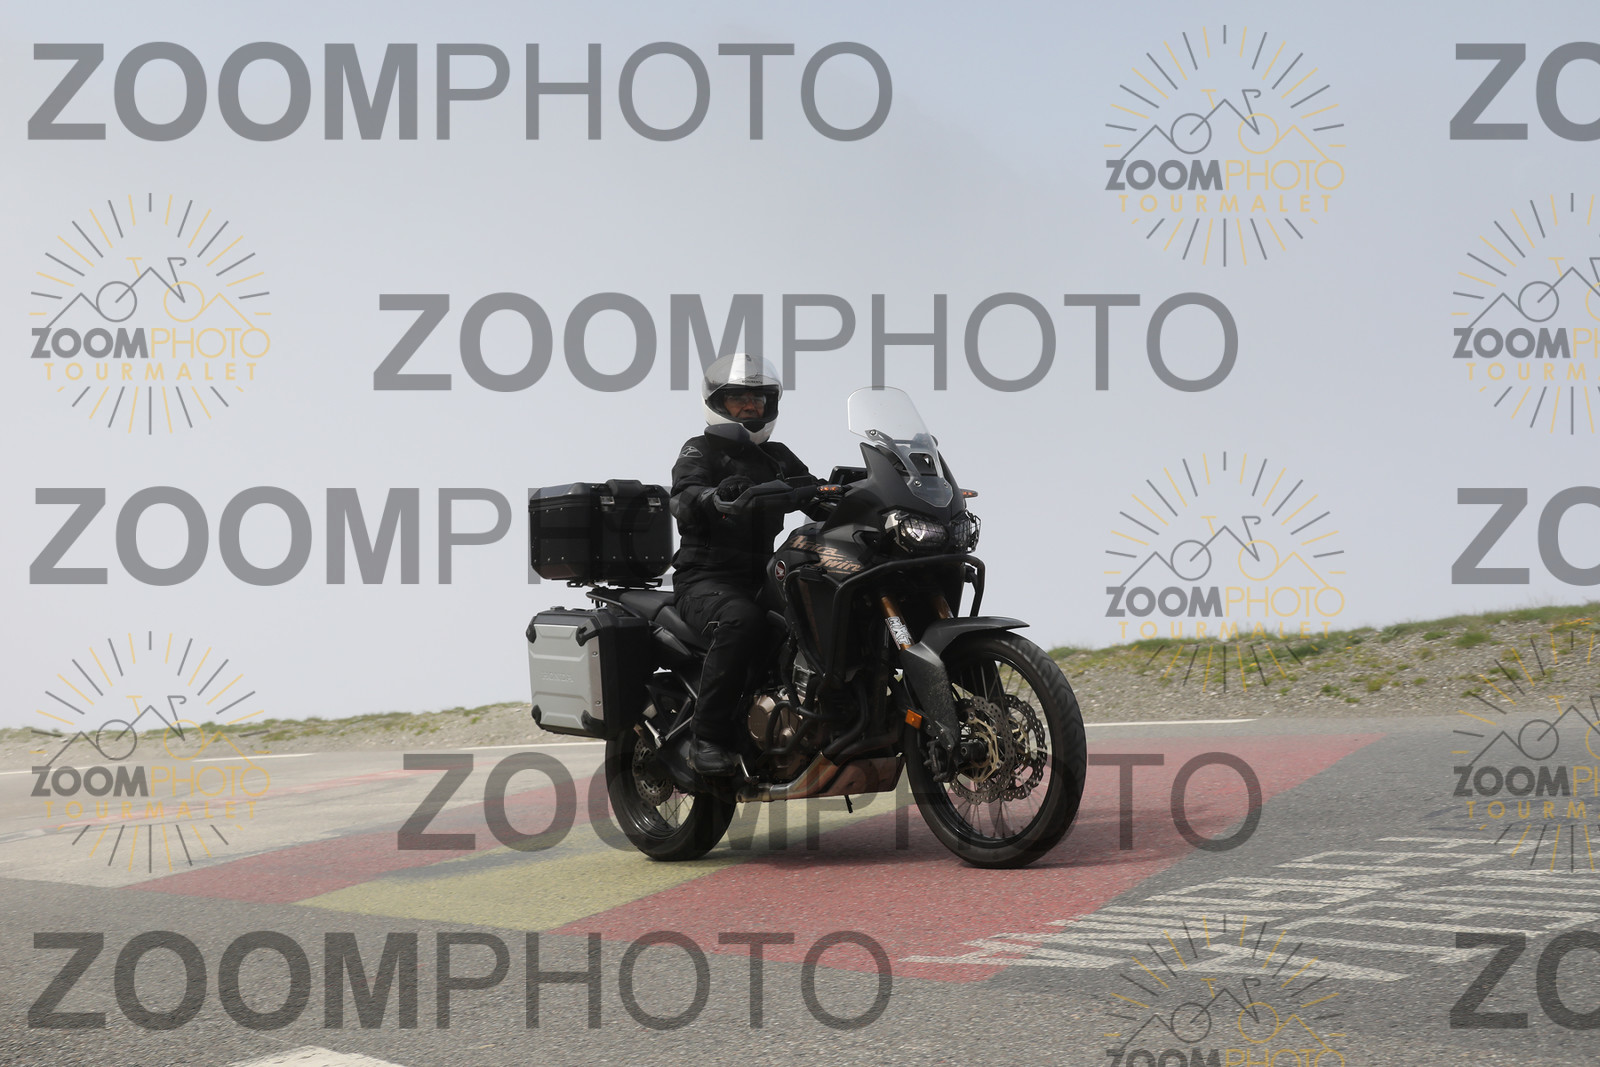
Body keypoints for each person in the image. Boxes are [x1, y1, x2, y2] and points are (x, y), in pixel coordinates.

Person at [669, 353, 825, 776]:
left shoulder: (777, 456)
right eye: (738, 398)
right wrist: (712, 496)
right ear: (718, 403)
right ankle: (706, 738)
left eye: (758, 398)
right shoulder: (701, 448)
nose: (750, 406)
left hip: (761, 577)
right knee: (742, 620)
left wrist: (853, 491)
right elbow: (683, 494)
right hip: (705, 580)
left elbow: (812, 490)